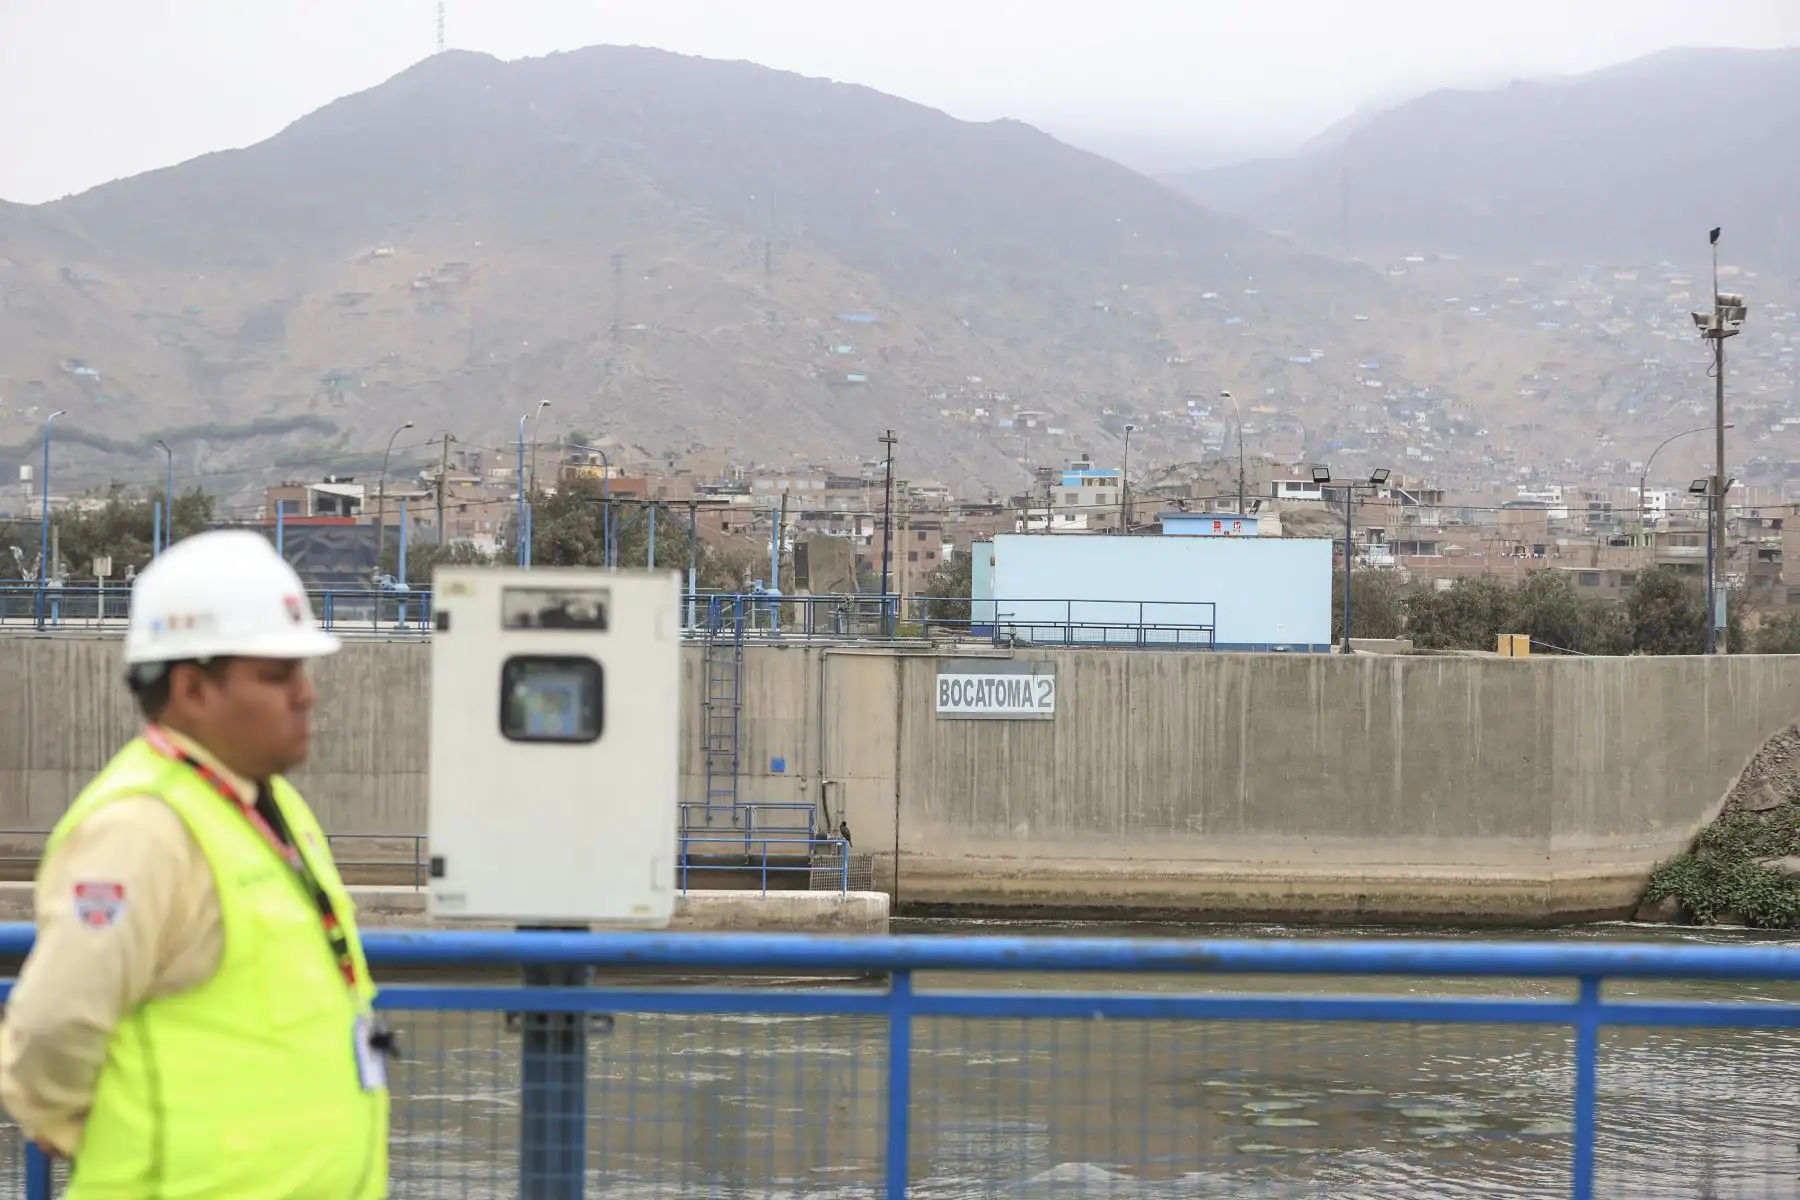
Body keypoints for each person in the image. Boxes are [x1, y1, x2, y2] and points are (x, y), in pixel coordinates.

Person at [0, 529, 391, 1198]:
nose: (306, 695)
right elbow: (54, 1026)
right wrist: (83, 1127)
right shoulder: (140, 830)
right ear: (191, 689)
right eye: (277, 675)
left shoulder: (271, 804)